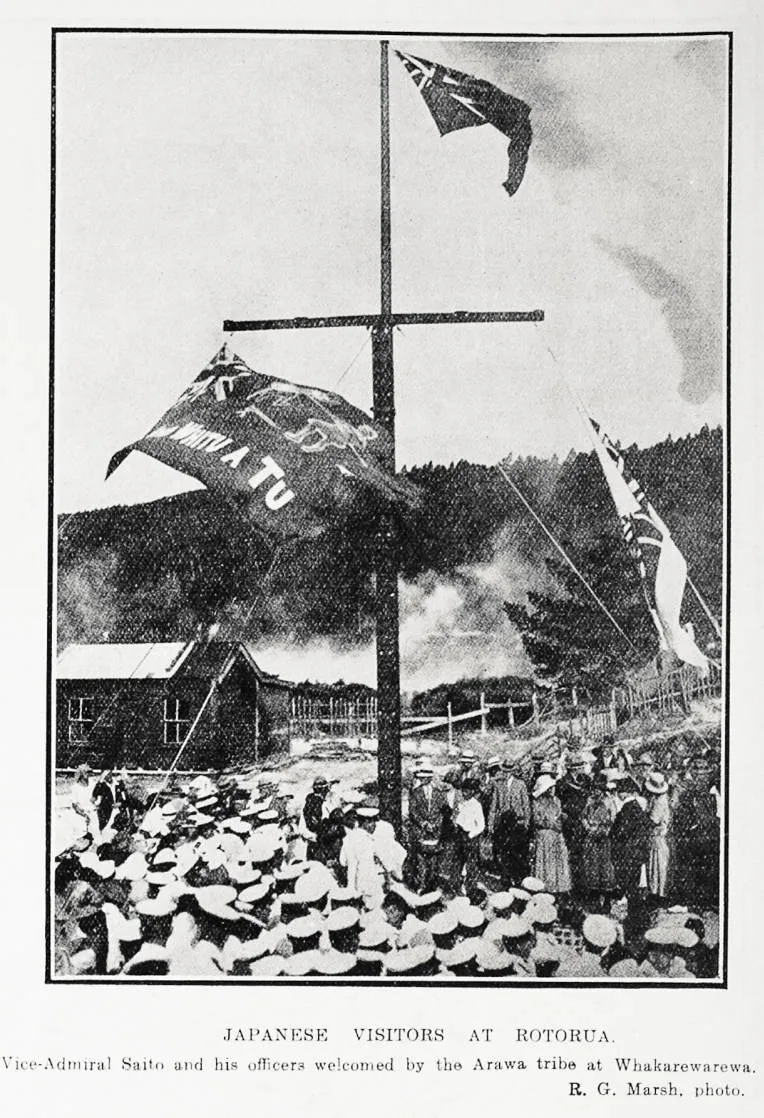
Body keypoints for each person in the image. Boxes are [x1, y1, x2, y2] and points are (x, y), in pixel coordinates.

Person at [489, 759, 531, 886]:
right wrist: (491, 824)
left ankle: (518, 878)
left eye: (509, 771)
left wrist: (526, 823)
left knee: (517, 851)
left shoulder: (520, 784)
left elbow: (526, 805)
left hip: (517, 822)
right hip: (503, 822)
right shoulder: (499, 785)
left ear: (513, 772)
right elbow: (493, 806)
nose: (506, 774)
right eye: (505, 771)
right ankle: (506, 878)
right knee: (504, 851)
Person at [407, 763, 449, 892]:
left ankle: (432, 885)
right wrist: (424, 823)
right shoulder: (415, 793)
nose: (422, 780)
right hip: (421, 831)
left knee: (435, 860)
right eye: (421, 777)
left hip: (436, 831)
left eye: (425, 777)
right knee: (421, 860)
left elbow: (445, 810)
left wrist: (436, 824)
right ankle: (421, 885)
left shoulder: (440, 793)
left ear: (430, 778)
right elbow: (413, 811)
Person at [580, 775, 616, 910]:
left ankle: (607, 900)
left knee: (605, 868)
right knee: (592, 868)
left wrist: (604, 830)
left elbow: (613, 819)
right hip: (591, 838)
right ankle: (594, 899)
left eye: (598, 789)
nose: (595, 792)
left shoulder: (609, 802)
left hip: (604, 838)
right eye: (594, 789)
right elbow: (583, 817)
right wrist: (589, 828)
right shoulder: (589, 801)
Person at [531, 775, 571, 895]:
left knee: (556, 861)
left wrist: (559, 821)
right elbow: (537, 819)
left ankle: (557, 887)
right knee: (545, 861)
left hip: (556, 835)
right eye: (550, 788)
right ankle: (544, 886)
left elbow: (558, 815)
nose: (552, 790)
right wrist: (550, 823)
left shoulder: (557, 800)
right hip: (544, 835)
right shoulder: (537, 802)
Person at [645, 772, 671, 901]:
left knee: (659, 864)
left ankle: (659, 893)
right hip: (655, 835)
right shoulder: (655, 798)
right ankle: (655, 891)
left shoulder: (661, 801)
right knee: (654, 864)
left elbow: (653, 820)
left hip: (659, 835)